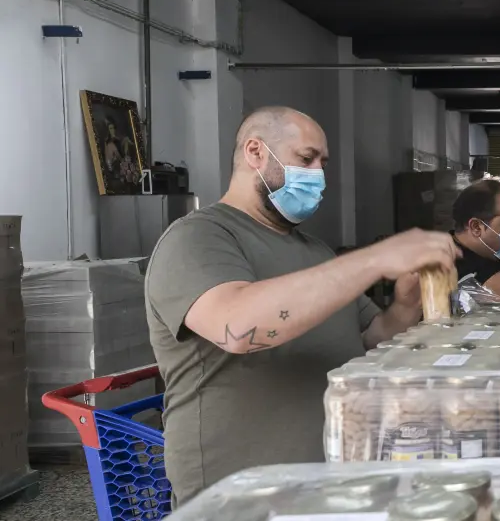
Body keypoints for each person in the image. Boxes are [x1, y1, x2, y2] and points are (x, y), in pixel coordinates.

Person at [144, 106, 459, 504]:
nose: (318, 175)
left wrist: (407, 302)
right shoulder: (198, 238)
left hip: (328, 481)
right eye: (306, 159)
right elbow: (237, 328)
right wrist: (375, 259)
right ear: (255, 153)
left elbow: (372, 338)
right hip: (240, 494)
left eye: (322, 164)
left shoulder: (315, 251)